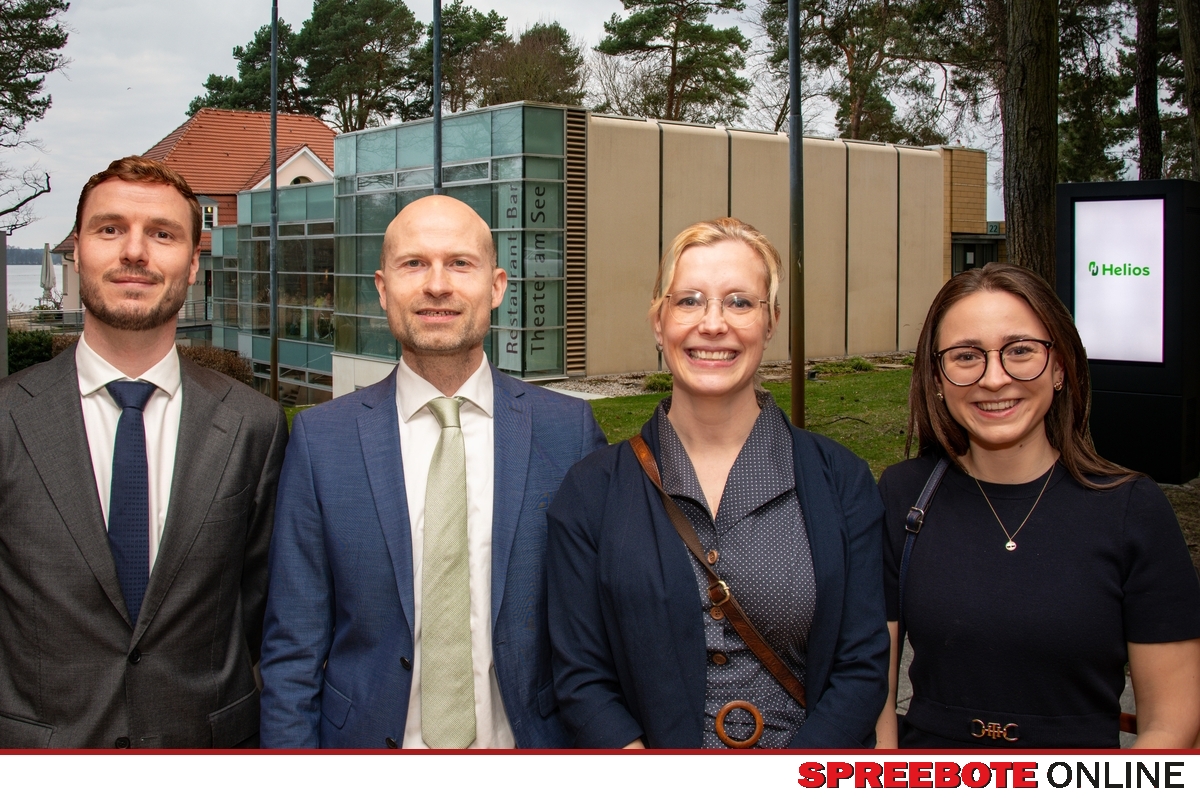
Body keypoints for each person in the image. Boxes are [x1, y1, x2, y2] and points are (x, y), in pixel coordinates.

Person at [259, 195, 607, 749]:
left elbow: (599, 631)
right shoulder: (321, 441)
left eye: (460, 263)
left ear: (496, 286)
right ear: (382, 289)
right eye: (414, 263)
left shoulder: (569, 433)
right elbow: (292, 649)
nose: (437, 285)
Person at [547, 218, 889, 749]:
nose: (713, 324)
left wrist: (791, 781)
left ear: (771, 322)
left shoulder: (840, 481)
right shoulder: (591, 491)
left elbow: (862, 665)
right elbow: (580, 674)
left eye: (739, 302)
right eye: (689, 301)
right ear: (658, 322)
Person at [0, 156, 288, 748]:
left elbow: (258, 605)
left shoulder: (254, 426)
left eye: (162, 234)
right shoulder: (7, 419)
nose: (135, 252)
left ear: (193, 264)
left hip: (204, 757)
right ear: (77, 252)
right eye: (110, 229)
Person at [875, 262, 1200, 749]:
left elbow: (1172, 723)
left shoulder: (1132, 508)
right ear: (937, 378)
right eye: (966, 356)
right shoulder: (904, 495)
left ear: (1060, 367)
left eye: (1021, 350)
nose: (994, 378)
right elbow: (873, 689)